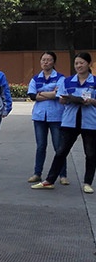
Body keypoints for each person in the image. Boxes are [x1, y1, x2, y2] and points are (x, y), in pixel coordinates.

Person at [32, 52, 96, 194]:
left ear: (89, 64)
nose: (79, 66)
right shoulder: (67, 81)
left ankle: (87, 183)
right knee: (61, 152)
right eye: (76, 63)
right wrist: (65, 99)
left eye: (82, 63)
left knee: (90, 153)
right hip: (70, 121)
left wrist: (91, 101)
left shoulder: (94, 82)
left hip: (90, 122)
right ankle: (49, 181)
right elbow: (60, 98)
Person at [27, 52, 67, 184]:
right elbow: (32, 96)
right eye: (43, 60)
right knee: (40, 146)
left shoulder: (60, 78)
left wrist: (41, 93)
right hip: (39, 117)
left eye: (49, 60)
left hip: (56, 116)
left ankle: (62, 175)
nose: (45, 62)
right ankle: (37, 173)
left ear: (54, 62)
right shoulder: (35, 78)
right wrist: (51, 93)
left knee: (59, 147)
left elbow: (59, 94)